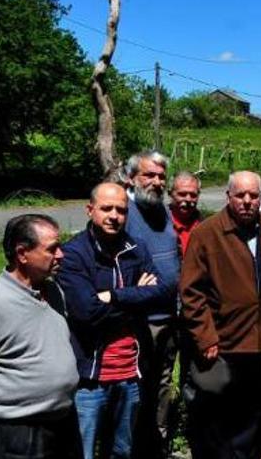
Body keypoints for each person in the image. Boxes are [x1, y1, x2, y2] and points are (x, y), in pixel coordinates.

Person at [0, 214, 81, 458]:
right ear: (22, 254)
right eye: (52, 249)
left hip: (63, 424)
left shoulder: (53, 291)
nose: (61, 254)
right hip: (18, 433)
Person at [58, 183, 172, 459]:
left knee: (122, 451)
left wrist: (113, 296)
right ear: (90, 210)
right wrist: (136, 298)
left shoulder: (136, 248)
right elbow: (87, 312)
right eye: (106, 208)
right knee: (82, 451)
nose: (114, 215)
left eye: (121, 210)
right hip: (90, 377)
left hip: (130, 375)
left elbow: (161, 292)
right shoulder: (74, 254)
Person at [179, 171, 261, 459]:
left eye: (253, 195)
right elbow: (191, 291)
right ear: (228, 197)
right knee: (216, 412)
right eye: (240, 195)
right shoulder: (207, 233)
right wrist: (205, 336)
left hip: (257, 338)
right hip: (221, 342)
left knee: (249, 410)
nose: (247, 201)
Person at [123, 151, 182, 459]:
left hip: (169, 315)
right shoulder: (123, 211)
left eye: (161, 176)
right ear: (131, 178)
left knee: (161, 384)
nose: (157, 181)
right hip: (140, 319)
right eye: (149, 175)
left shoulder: (163, 211)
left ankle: (157, 444)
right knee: (137, 387)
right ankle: (133, 448)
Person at [169, 170, 202, 256]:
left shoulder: (207, 227)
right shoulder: (158, 226)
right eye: (182, 194)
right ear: (170, 194)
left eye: (193, 195)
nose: (188, 199)